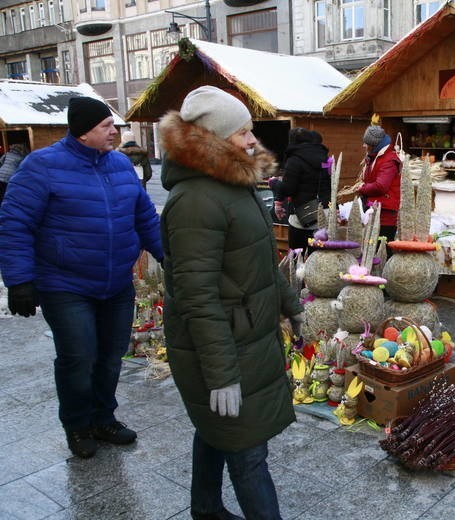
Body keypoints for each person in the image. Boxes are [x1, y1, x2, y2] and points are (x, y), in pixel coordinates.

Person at [159, 85, 305, 520]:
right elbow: (196, 296)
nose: (251, 141)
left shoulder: (234, 184)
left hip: (246, 335)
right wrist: (221, 375)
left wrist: (290, 306)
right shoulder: (195, 200)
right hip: (220, 345)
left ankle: (204, 509)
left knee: (218, 431)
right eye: (242, 132)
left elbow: (261, 262)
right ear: (212, 138)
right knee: (247, 452)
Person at [0, 96, 164, 459]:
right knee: (78, 357)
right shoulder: (42, 167)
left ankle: (103, 418)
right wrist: (19, 280)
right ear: (83, 132)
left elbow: (145, 218)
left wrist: (172, 259)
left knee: (110, 356)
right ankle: (77, 425)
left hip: (116, 282)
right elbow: (15, 223)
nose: (115, 133)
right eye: (107, 126)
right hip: (65, 284)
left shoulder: (120, 165)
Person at [270, 127, 331, 253]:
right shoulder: (325, 157)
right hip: (324, 213)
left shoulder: (294, 160)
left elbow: (288, 189)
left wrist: (274, 183)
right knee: (319, 256)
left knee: (298, 257)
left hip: (303, 216)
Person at [357, 120, 401, 242]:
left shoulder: (388, 160)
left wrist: (362, 188)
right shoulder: (374, 157)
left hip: (385, 216)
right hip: (376, 211)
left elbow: (381, 186)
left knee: (382, 251)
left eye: (366, 143)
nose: (364, 146)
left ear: (374, 145)